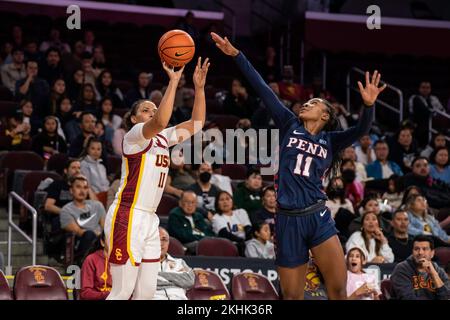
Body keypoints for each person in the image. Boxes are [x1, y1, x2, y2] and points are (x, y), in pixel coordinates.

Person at [211, 31, 386, 300]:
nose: (306, 103)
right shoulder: (289, 123)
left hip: (317, 216)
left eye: (313, 103)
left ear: (325, 115)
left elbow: (362, 128)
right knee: (292, 297)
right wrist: (237, 55)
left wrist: (369, 105)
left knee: (337, 291)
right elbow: (263, 89)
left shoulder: (331, 140)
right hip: (286, 220)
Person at [104, 57, 209, 300]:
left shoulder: (164, 138)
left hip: (150, 219)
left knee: (147, 293)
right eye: (146, 110)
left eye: (154, 108)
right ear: (133, 118)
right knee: (122, 291)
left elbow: (197, 123)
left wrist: (199, 88)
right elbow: (160, 120)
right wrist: (173, 82)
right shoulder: (133, 136)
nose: (152, 112)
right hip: (127, 214)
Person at [60, 176, 105, 265]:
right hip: (81, 242)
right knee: (88, 234)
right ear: (71, 190)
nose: (82, 191)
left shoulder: (97, 205)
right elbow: (79, 231)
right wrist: (98, 235)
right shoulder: (66, 210)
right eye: (78, 187)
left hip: (100, 241)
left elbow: (105, 227)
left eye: (85, 188)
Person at [391, 235, 450, 300]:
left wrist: (433, 274)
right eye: (416, 249)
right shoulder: (402, 269)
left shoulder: (438, 270)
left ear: (432, 253)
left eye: (425, 249)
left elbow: (446, 296)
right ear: (412, 252)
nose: (420, 252)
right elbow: (407, 297)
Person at [153, 227, 195, 300]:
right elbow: (144, 283)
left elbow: (189, 281)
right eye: (156, 239)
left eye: (164, 240)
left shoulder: (179, 262)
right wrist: (176, 280)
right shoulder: (142, 264)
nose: (160, 243)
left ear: (168, 243)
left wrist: (157, 276)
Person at [212, 190, 252, 255]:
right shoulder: (217, 217)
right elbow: (224, 233)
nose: (225, 202)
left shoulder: (241, 212)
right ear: (217, 204)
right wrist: (240, 241)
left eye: (227, 199)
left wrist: (245, 241)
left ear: (232, 201)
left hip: (246, 243)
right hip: (229, 245)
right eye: (221, 200)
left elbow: (248, 228)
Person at [408, 81, 447, 148]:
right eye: (423, 87)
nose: (425, 89)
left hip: (434, 124)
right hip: (420, 123)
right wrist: (433, 113)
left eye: (427, 87)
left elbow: (442, 111)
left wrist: (435, 115)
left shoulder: (434, 98)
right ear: (419, 88)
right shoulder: (415, 98)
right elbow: (423, 112)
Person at [80, 233, 112, 300]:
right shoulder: (91, 260)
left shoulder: (125, 262)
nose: (114, 241)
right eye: (110, 238)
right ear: (102, 242)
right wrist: (106, 295)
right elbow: (85, 293)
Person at [80, 137, 110, 203]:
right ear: (88, 149)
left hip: (107, 195)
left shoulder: (102, 166)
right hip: (95, 197)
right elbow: (87, 186)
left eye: (98, 149)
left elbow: (106, 184)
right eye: (93, 148)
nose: (96, 152)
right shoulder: (84, 164)